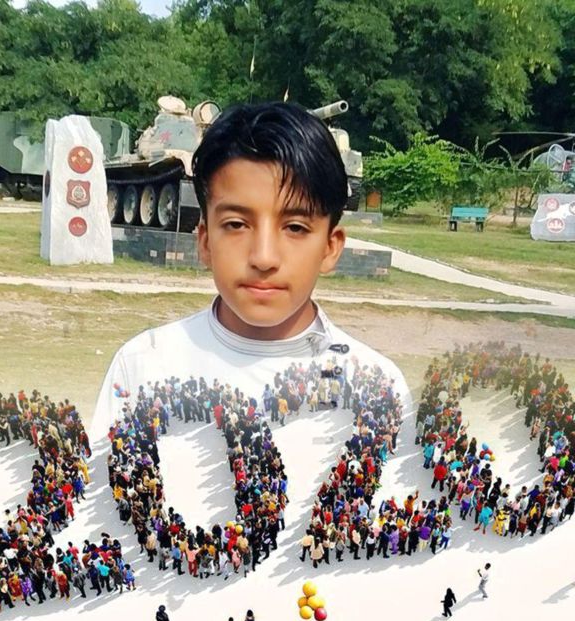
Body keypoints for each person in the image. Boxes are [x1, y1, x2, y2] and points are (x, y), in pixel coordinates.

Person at [89, 102, 409, 563]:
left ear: (330, 247)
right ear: (204, 240)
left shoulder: (377, 384)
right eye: (236, 224)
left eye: (295, 227)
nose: (263, 257)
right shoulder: (144, 364)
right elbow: (106, 503)